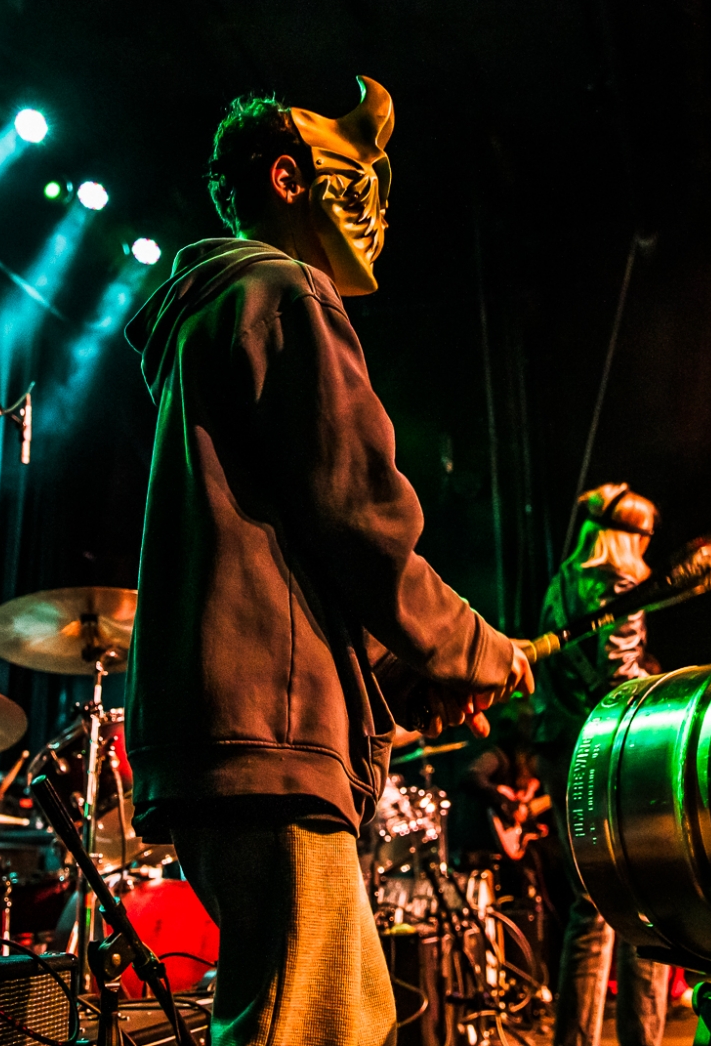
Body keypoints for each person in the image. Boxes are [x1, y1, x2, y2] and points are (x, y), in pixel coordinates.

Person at [124, 77, 532, 1046]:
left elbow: (289, 547)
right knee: (309, 1020)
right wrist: (469, 645)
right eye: (353, 175)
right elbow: (360, 513)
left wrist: (403, 674)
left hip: (230, 727)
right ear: (287, 177)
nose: (375, 207)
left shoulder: (207, 320)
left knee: (344, 1006)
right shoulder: (282, 291)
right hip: (266, 733)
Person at [532, 484, 670, 1046]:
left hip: (560, 750)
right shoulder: (620, 583)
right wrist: (662, 690)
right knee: (647, 898)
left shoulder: (562, 584)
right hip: (610, 756)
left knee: (589, 908)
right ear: (627, 537)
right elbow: (619, 680)